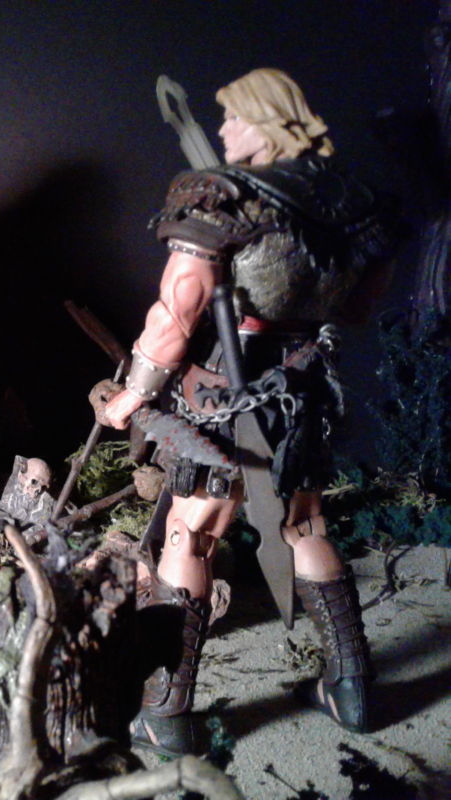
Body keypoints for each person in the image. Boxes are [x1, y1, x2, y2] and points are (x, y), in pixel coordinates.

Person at [96, 69, 399, 753]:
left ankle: (166, 713)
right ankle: (351, 689)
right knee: (304, 522)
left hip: (225, 392)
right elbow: (358, 305)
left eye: (234, 116)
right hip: (304, 385)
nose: (225, 129)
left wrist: (135, 392)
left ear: (268, 119)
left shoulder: (217, 198)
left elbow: (176, 313)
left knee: (190, 534)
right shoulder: (352, 200)